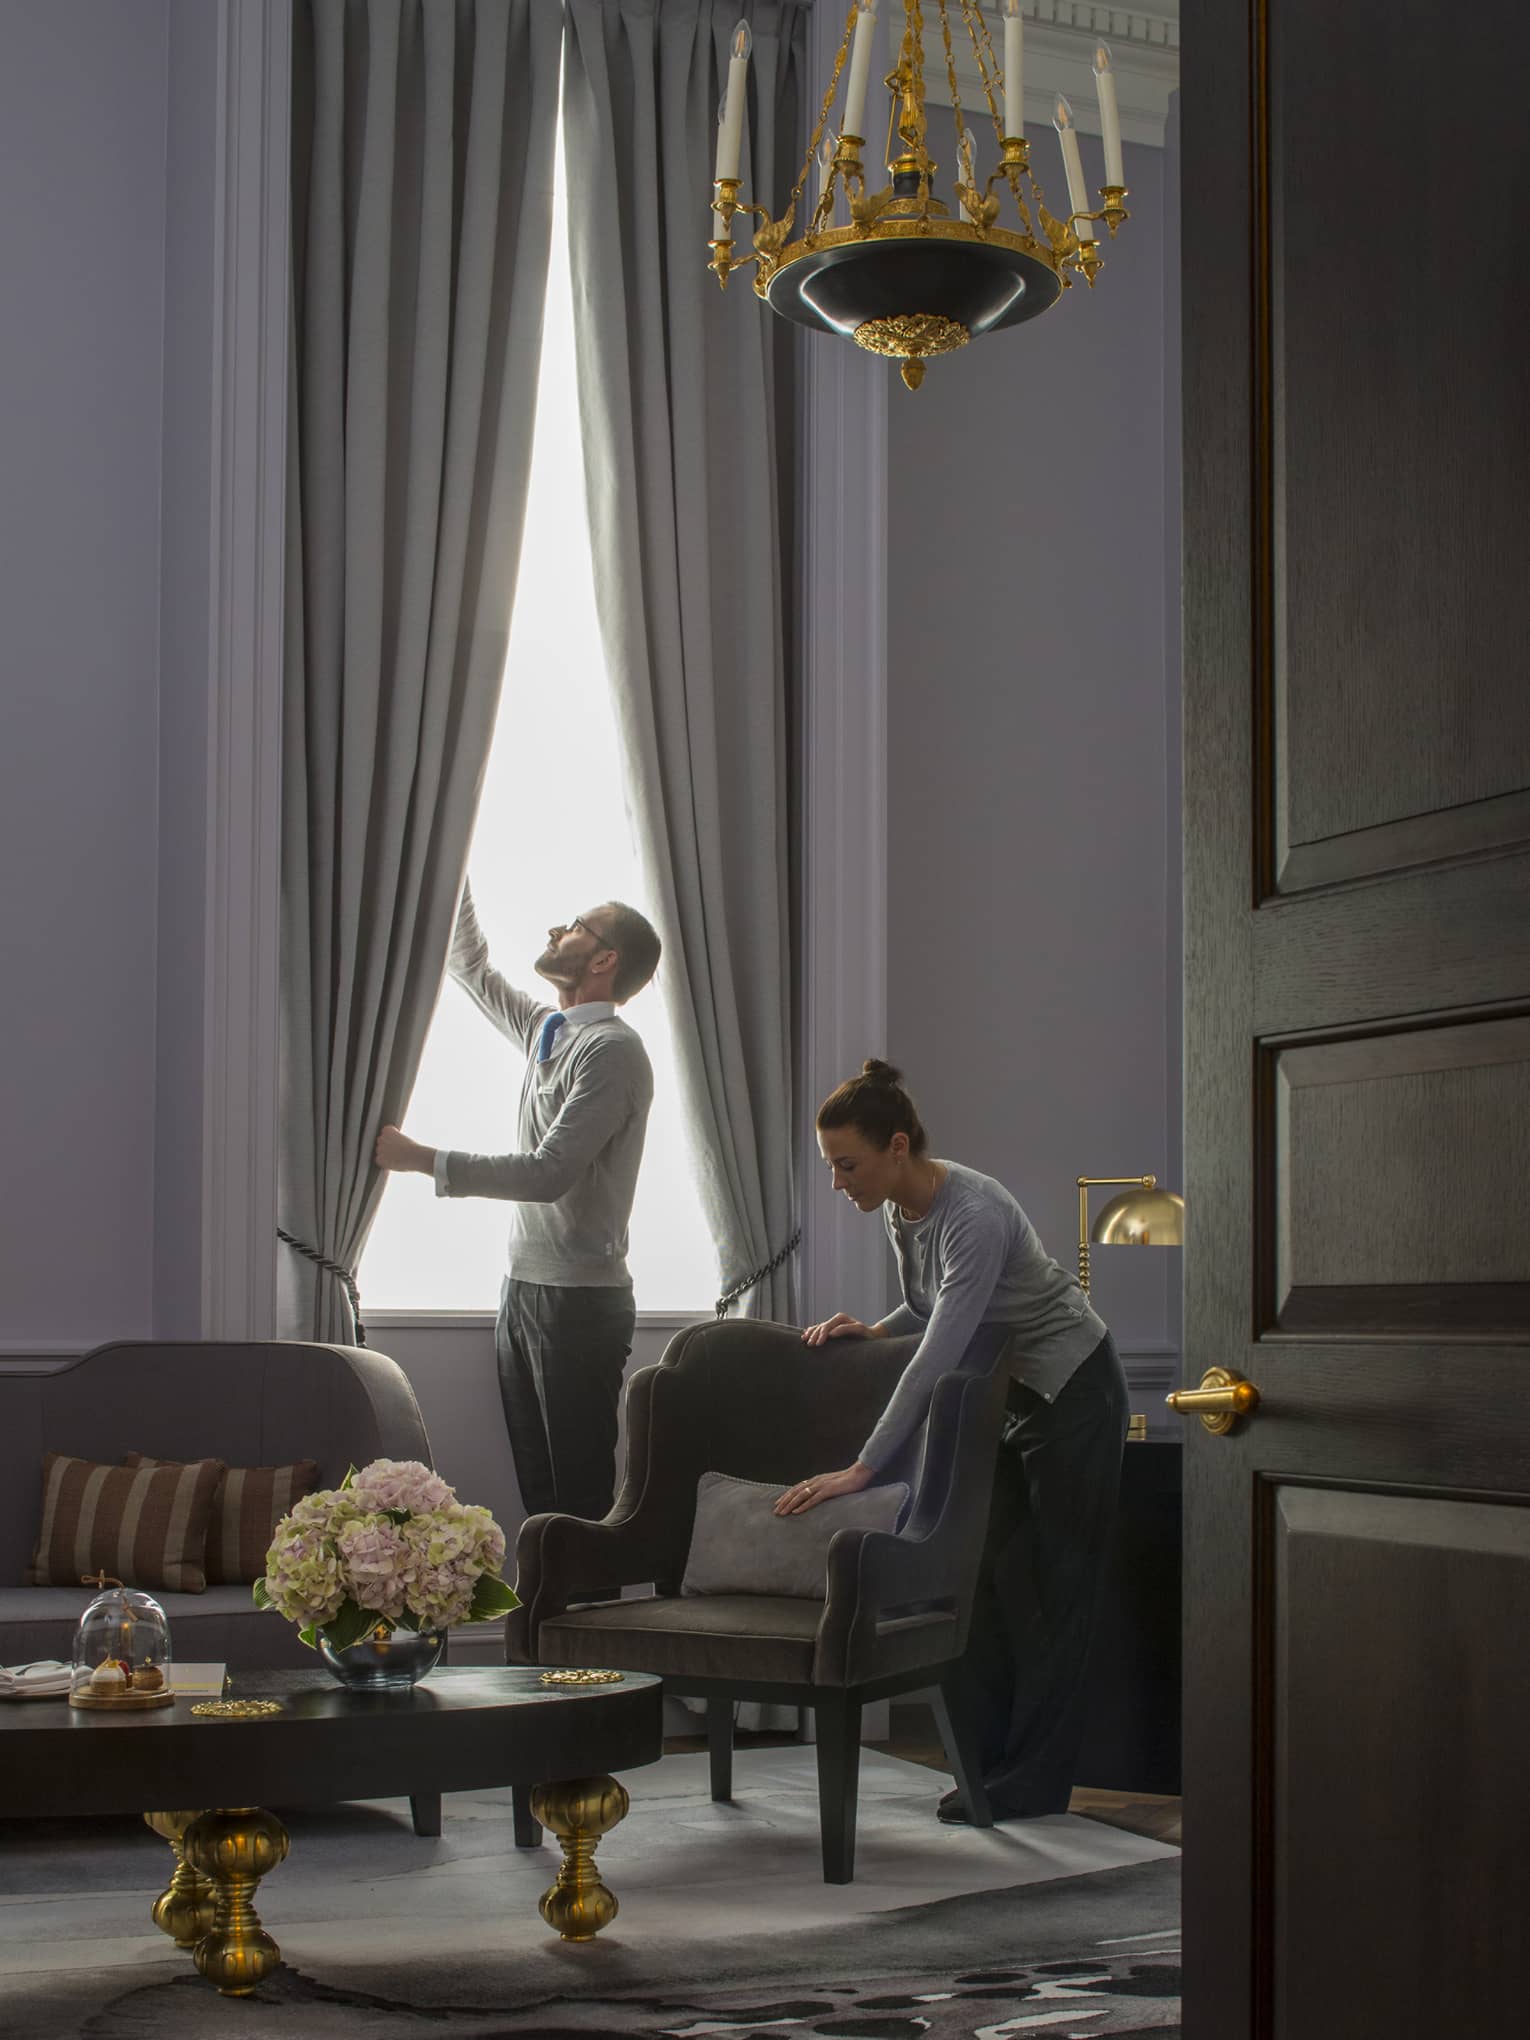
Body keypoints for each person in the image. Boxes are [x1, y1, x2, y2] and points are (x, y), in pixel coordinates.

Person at [775, 1058, 1128, 1824]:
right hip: (1014, 1395)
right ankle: (986, 1767)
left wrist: (862, 1468)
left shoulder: (975, 1212)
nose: (837, 1182)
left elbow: (940, 1352)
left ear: (897, 1146)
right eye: (832, 1165)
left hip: (1075, 1390)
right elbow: (930, 1307)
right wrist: (875, 1330)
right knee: (979, 1575)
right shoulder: (902, 1211)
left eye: (847, 1164)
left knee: (1060, 1591)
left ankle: (1032, 1785)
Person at [374, 880, 660, 1526]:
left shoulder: (613, 1050)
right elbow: (470, 967)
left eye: (576, 926)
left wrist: (422, 1159)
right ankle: (547, 1599)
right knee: (540, 1496)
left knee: (578, 1504)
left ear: (604, 959)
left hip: (579, 1304)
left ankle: (587, 1598)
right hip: (523, 1290)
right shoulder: (546, 1029)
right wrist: (451, 862)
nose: (557, 932)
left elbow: (548, 1173)